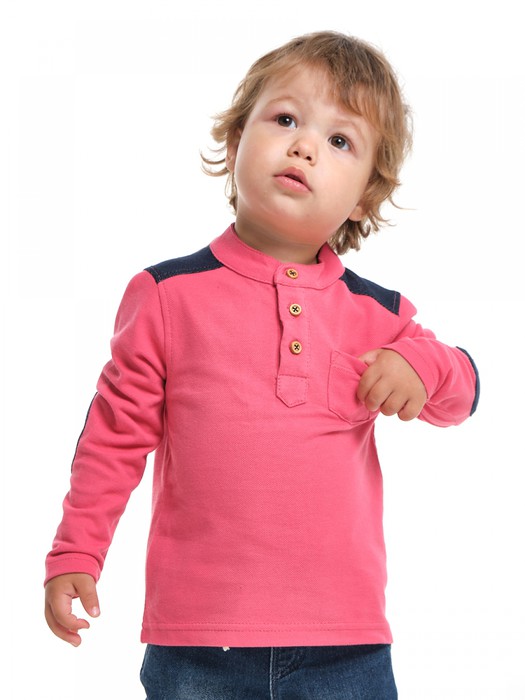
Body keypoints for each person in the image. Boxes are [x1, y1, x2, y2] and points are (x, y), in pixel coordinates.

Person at [44, 30, 479, 699]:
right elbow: (112, 439)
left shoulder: (378, 313)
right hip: (197, 642)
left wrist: (423, 365)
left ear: (364, 197)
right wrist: (77, 550)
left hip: (346, 643)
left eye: (340, 140)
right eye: (285, 119)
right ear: (234, 139)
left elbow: (462, 394)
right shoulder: (165, 296)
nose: (305, 146)